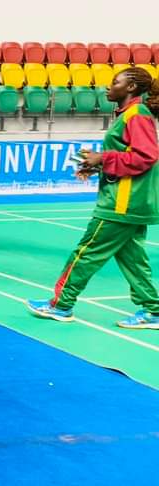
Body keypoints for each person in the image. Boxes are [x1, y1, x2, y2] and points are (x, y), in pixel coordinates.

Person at [28, 67, 159, 330]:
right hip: (128, 201)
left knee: (86, 252)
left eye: (114, 82)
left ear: (131, 87)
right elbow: (127, 154)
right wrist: (96, 164)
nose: (107, 87)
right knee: (131, 257)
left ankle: (61, 304)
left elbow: (146, 156)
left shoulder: (137, 115)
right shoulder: (129, 115)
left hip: (122, 202)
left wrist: (103, 158)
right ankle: (153, 309)